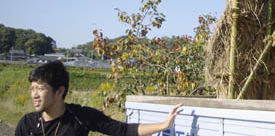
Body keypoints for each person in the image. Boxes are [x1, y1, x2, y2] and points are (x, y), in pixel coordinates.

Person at [15, 60, 183, 136]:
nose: (34, 95)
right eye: (32, 89)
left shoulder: (81, 117)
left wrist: (164, 125)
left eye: (41, 89)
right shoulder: (27, 124)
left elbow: (123, 131)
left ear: (59, 91)